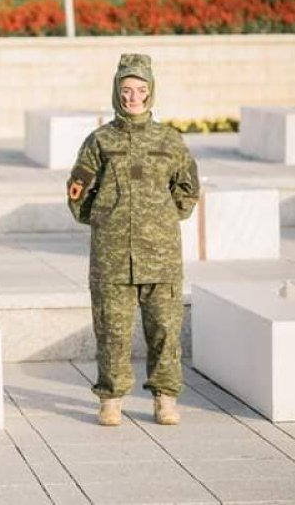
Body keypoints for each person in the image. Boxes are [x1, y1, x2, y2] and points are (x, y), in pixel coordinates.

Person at [66, 53, 199, 426]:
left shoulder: (170, 140)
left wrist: (161, 219)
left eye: (140, 89)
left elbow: (188, 189)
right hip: (111, 257)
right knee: (112, 331)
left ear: (150, 92)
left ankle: (165, 398)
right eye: (126, 90)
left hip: (161, 256)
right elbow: (78, 193)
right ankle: (110, 399)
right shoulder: (100, 141)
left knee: (165, 330)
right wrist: (106, 220)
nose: (132, 97)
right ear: (116, 92)